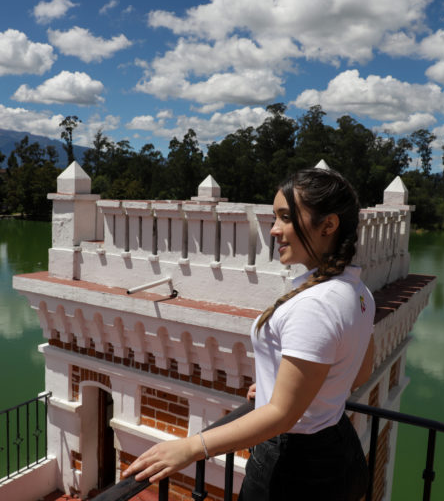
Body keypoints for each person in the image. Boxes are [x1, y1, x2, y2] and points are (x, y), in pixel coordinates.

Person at [122, 168, 375, 500]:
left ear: (328, 225)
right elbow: (359, 371)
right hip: (338, 451)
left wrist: (191, 448)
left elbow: (282, 416)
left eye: (286, 218)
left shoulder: (316, 304)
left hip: (294, 469)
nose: (274, 230)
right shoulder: (357, 292)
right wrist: (278, 382)